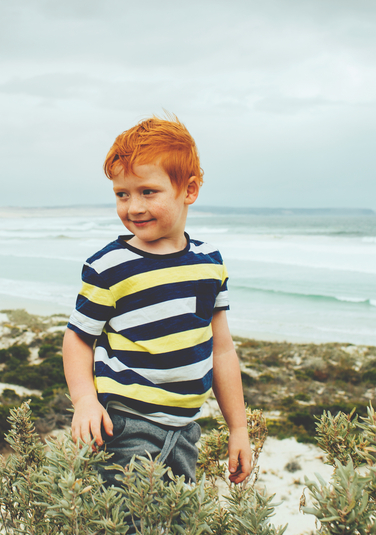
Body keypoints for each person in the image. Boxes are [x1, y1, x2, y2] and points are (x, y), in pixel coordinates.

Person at [63, 115, 252, 497]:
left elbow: (223, 349)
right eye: (122, 194)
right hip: (125, 426)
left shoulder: (209, 264)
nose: (133, 207)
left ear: (189, 190)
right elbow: (78, 339)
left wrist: (238, 428)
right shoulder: (110, 266)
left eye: (148, 192)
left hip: (186, 430)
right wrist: (84, 400)